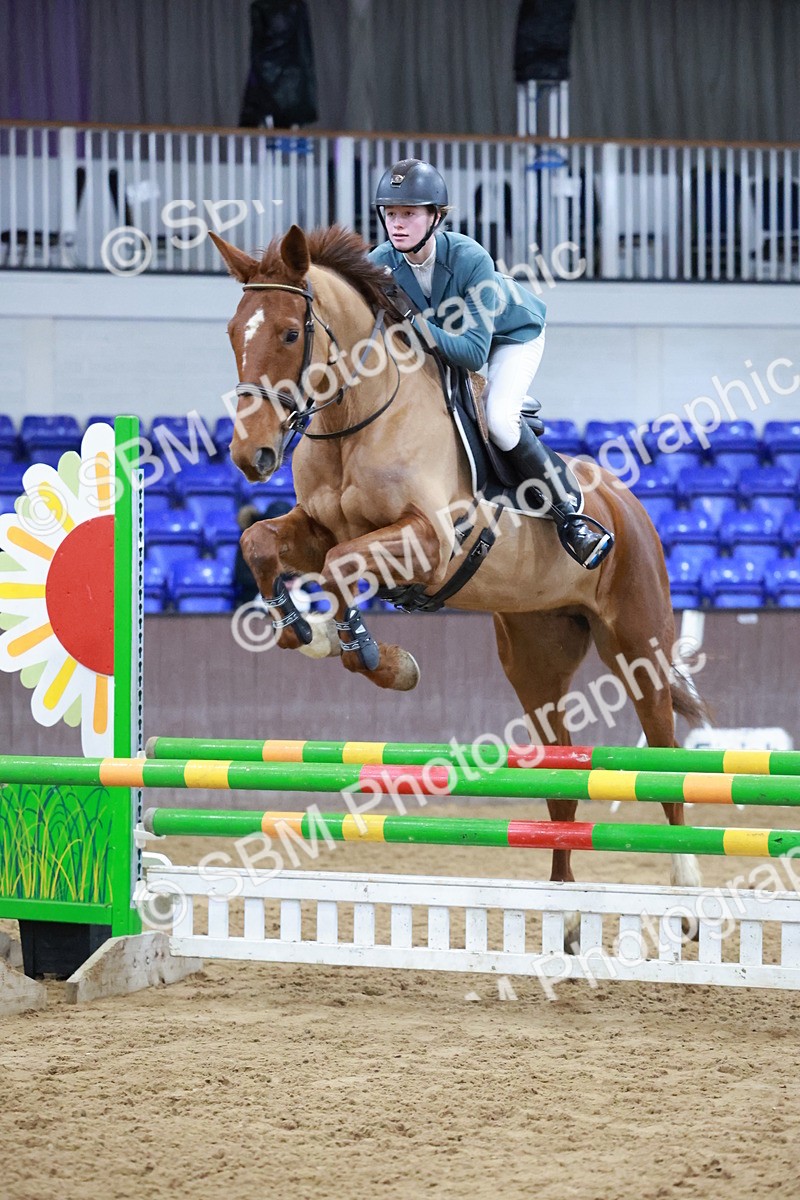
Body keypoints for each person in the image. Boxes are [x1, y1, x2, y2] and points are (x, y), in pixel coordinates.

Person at [369, 158, 613, 570]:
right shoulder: (379, 263)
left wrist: (416, 325)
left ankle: (569, 515)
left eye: (409, 213)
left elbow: (472, 354)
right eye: (390, 214)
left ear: (436, 217)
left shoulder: (469, 258)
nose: (397, 224)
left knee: (499, 419)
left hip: (510, 336)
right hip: (442, 344)